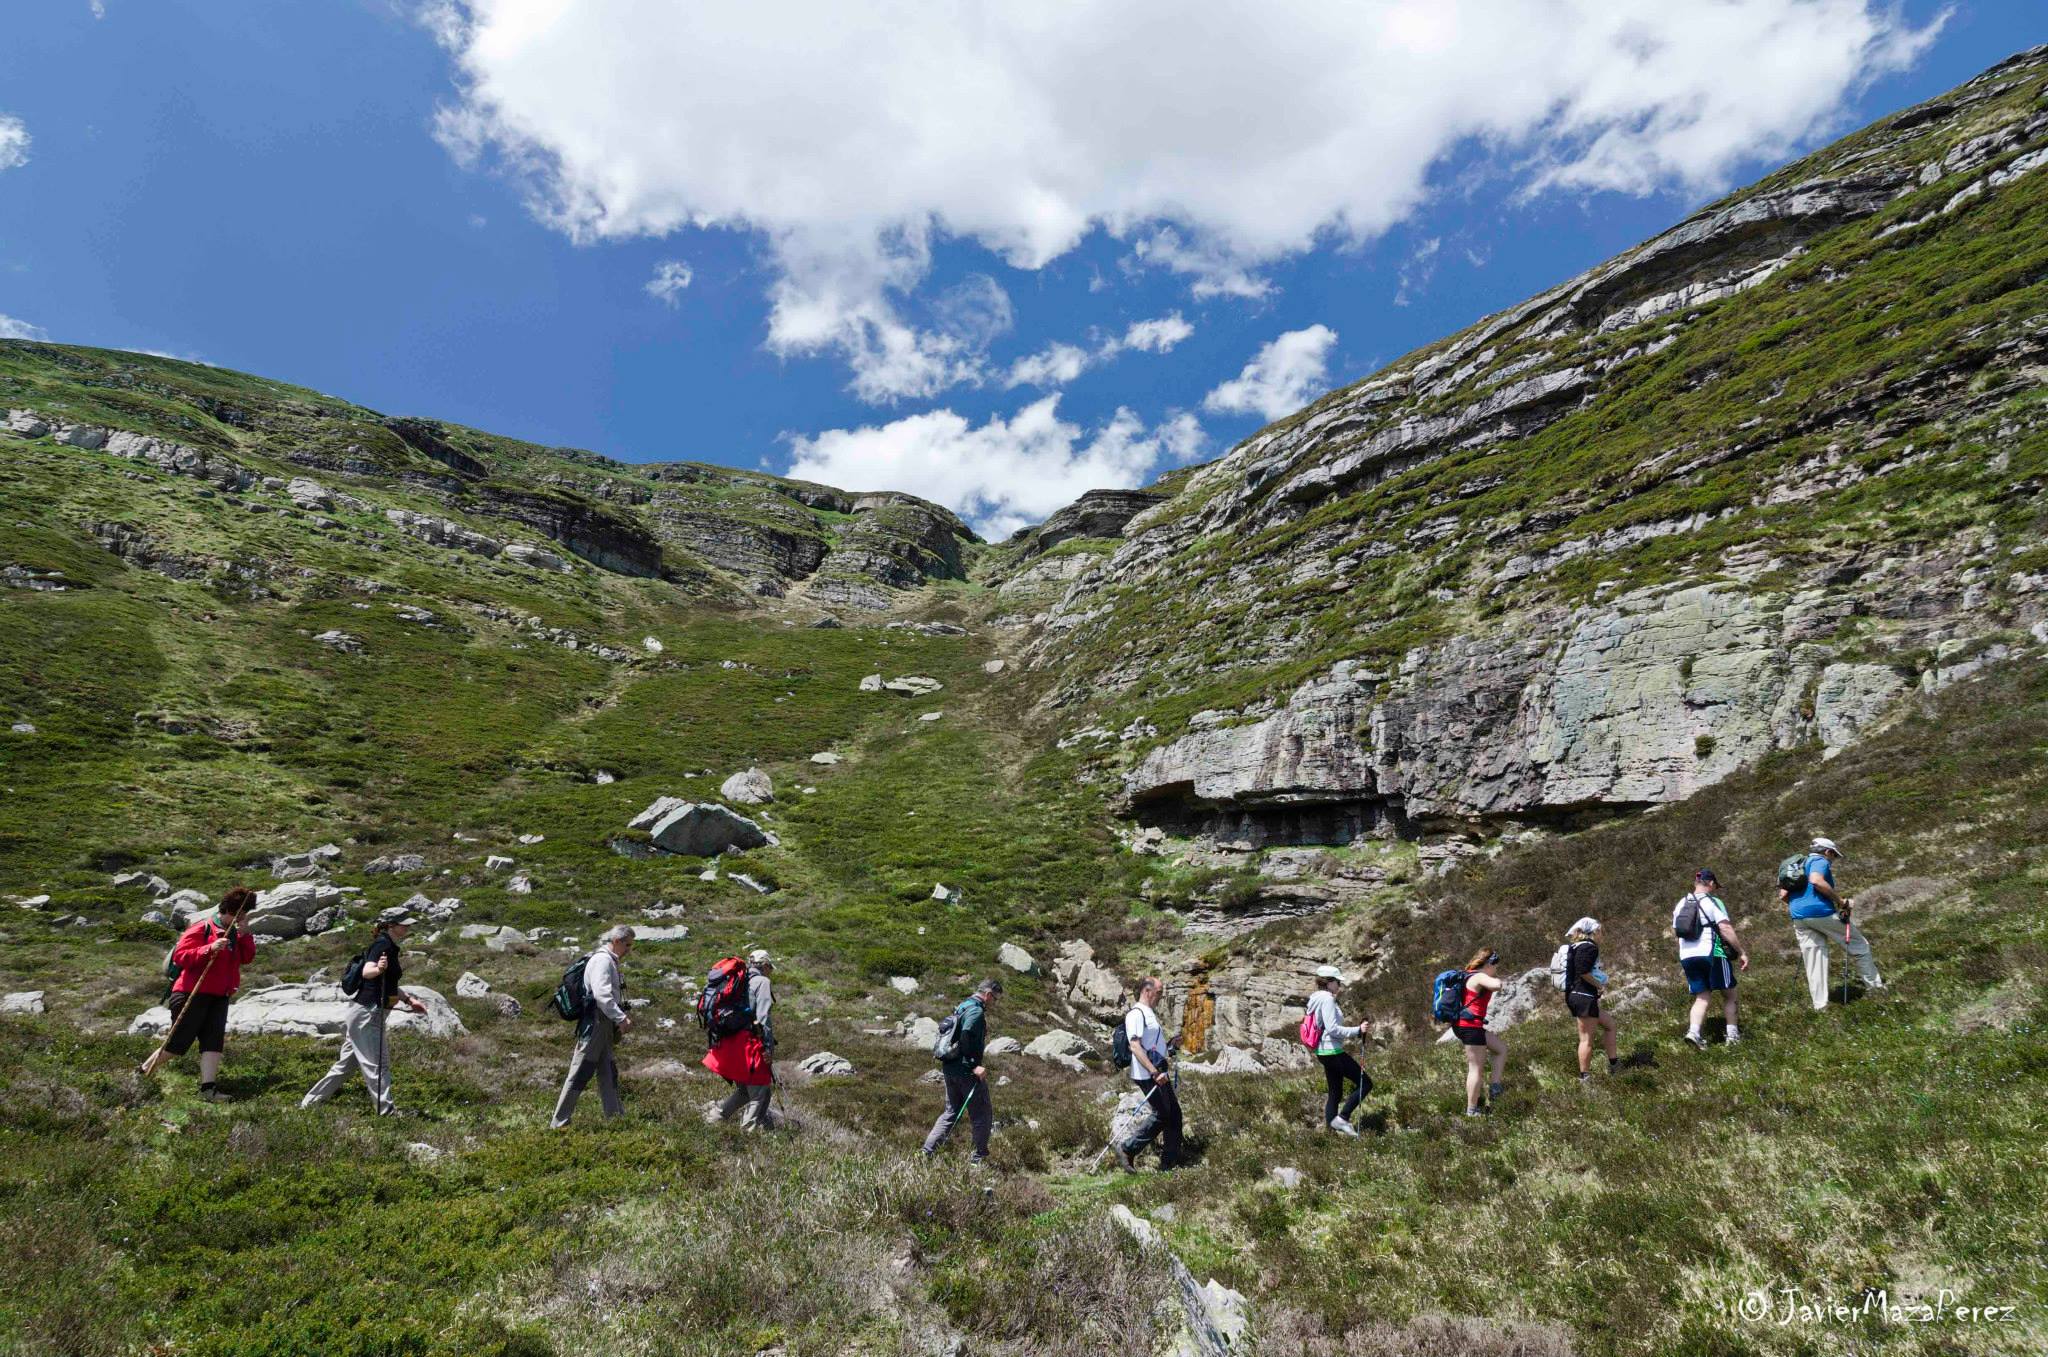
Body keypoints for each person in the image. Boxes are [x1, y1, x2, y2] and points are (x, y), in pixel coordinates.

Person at [301, 905, 429, 1116]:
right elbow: (368, 972)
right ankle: (386, 1112)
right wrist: (378, 969)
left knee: (346, 1066)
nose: (407, 927)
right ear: (391, 926)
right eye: (403, 924)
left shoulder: (388, 945)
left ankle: (309, 1105)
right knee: (378, 1064)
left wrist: (408, 1000)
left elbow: (388, 983)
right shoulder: (382, 944)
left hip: (364, 1013)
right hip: (369, 1014)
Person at [147, 886, 259, 1097]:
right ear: (227, 910)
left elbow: (246, 958)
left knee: (213, 1043)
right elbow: (181, 956)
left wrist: (245, 935)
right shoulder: (203, 927)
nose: (240, 919)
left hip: (220, 995)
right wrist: (209, 948)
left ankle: (208, 1090)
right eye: (238, 915)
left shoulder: (235, 934)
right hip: (191, 994)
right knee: (177, 1043)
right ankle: (143, 1072)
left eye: (243, 915)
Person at [1783, 836, 1883, 1010]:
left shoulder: (1796, 865)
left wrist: (1801, 907)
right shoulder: (1819, 860)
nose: (1833, 859)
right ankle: (1876, 989)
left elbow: (1783, 894)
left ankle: (1820, 1007)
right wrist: (1842, 902)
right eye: (1834, 855)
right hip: (1821, 912)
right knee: (1859, 945)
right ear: (1827, 852)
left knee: (1814, 961)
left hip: (1798, 916)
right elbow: (1816, 880)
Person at [552, 925, 634, 1128]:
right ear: (616, 941)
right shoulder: (602, 961)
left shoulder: (607, 960)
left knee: (608, 1070)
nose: (629, 950)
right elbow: (601, 995)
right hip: (596, 1023)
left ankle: (615, 1118)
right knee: (580, 1071)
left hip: (603, 1024)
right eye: (627, 945)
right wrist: (621, 1018)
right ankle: (559, 1122)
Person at [922, 976, 1002, 1163]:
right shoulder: (975, 1011)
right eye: (995, 998)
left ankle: (926, 1153)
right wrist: (974, 1066)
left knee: (950, 1113)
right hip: (966, 1072)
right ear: (988, 994)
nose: (995, 1003)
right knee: (982, 1114)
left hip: (950, 1069)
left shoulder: (963, 1006)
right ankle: (978, 1159)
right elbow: (966, 1035)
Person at [1114, 976, 1182, 1170]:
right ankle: (1127, 1149)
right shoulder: (1136, 1014)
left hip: (1157, 1071)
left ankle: (1169, 1163)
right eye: (1159, 992)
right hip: (1148, 1074)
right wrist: (1154, 1072)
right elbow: (1135, 1047)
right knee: (1163, 1114)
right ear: (1147, 991)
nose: (1161, 996)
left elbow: (1151, 1045)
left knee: (1174, 1114)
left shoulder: (1149, 1013)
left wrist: (1170, 1046)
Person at [1675, 869, 1749, 1047]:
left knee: (1702, 996)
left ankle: (1694, 1033)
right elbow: (1725, 929)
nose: (1715, 889)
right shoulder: (1713, 902)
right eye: (1715, 885)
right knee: (1730, 994)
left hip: (1687, 955)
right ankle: (1732, 1036)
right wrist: (1741, 952)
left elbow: (1677, 933)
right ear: (1710, 883)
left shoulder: (1681, 903)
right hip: (1713, 953)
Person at [704, 948, 776, 1129]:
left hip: (729, 1042)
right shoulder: (762, 982)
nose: (770, 972)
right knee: (760, 1091)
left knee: (745, 1090)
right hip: (749, 1044)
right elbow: (763, 1017)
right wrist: (768, 1048)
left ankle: (715, 1118)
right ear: (765, 965)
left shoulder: (739, 980)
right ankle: (748, 1133)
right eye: (770, 968)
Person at [1305, 964, 1372, 1136]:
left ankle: (1330, 1133)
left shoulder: (1315, 998)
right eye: (1337, 982)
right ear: (1329, 982)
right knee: (1366, 1083)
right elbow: (1333, 1029)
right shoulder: (1327, 999)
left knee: (1335, 1092)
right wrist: (1358, 1030)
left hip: (1322, 1051)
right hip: (1332, 1051)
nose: (1339, 985)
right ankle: (1343, 1118)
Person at [1560, 918, 1618, 1080]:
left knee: (1610, 1025)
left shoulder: (1576, 946)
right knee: (1586, 1040)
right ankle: (1585, 1078)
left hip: (1575, 995)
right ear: (1594, 932)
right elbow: (1583, 971)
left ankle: (1614, 1064)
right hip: (1584, 997)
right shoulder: (1589, 947)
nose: (1603, 935)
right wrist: (1599, 985)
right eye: (1601, 931)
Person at [1454, 949, 1508, 1116]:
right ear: (1489, 963)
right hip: (1470, 1026)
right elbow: (1496, 985)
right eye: (1495, 965)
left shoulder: (1468, 975)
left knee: (1501, 1049)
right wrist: (1496, 980)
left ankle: (1495, 1087)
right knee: (1476, 1068)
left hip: (1469, 1025)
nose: (1496, 969)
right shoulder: (1478, 976)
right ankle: (1472, 1110)